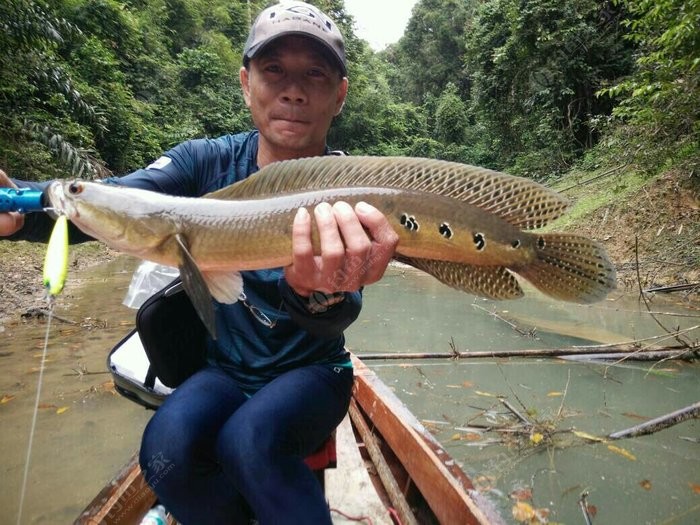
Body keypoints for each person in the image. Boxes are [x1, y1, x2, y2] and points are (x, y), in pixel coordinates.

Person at [0, 2, 399, 523]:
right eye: (273, 69)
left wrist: (313, 292)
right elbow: (119, 203)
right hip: (227, 367)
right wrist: (20, 209)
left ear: (339, 94)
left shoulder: (352, 188)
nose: (293, 90)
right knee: (165, 454)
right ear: (245, 81)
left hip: (313, 369)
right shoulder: (202, 162)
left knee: (249, 441)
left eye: (314, 74)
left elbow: (337, 315)